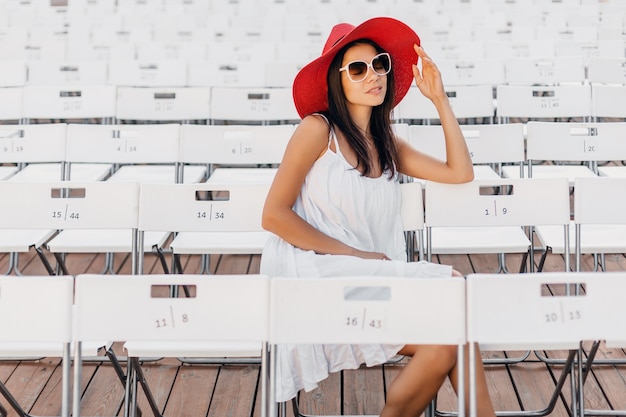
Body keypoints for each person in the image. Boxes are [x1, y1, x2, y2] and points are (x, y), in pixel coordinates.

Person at [260, 17, 496, 417]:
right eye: (358, 68)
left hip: (369, 281)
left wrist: (439, 99)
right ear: (338, 81)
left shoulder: (387, 145)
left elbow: (461, 172)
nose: (374, 75)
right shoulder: (317, 131)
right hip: (317, 280)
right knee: (455, 288)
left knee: (452, 335)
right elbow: (273, 215)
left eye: (380, 64)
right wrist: (355, 255)